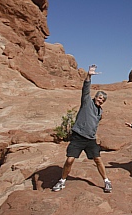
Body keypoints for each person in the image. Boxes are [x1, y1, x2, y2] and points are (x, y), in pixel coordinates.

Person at [52, 65, 112, 193]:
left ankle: (107, 181)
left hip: (90, 140)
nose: (101, 100)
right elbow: (86, 89)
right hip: (78, 137)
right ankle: (62, 181)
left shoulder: (100, 111)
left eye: (103, 100)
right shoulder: (87, 102)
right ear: (95, 97)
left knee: (98, 160)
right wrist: (89, 75)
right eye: (100, 98)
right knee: (70, 160)